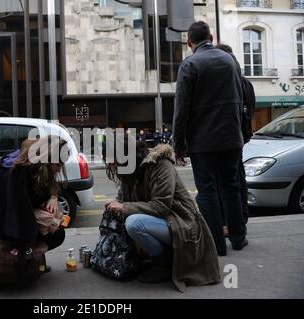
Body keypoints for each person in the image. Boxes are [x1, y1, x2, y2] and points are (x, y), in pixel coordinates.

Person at [103, 134, 220, 292]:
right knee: (129, 219)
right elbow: (123, 200)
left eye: (113, 161)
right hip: (164, 223)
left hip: (182, 223)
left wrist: (123, 207)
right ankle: (157, 258)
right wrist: (114, 206)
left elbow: (161, 206)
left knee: (134, 223)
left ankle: (163, 264)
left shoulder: (160, 164)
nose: (111, 167)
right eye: (108, 162)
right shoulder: (129, 172)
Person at [172, 21, 248, 256]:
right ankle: (237, 237)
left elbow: (181, 109)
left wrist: (179, 145)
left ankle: (216, 244)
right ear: (211, 37)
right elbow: (242, 98)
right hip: (231, 138)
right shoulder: (230, 61)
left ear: (189, 42)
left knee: (207, 192)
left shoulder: (190, 64)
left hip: (203, 142)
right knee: (231, 187)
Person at [0, 136, 69, 293]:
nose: (60, 168)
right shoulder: (19, 173)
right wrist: (38, 235)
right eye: (58, 164)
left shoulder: (31, 162)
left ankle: (22, 267)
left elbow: (42, 192)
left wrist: (53, 196)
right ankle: (18, 269)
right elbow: (16, 216)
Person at [216, 43, 256, 225]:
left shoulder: (229, 82)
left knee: (226, 183)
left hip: (226, 138)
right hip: (239, 137)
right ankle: (240, 221)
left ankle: (229, 222)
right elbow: (250, 111)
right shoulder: (245, 82)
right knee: (238, 179)